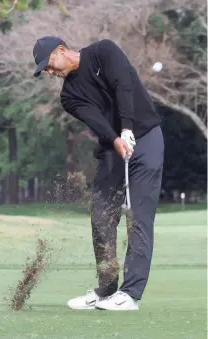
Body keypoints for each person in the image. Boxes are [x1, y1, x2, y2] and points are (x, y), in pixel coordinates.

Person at [33, 36, 164, 311]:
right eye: (45, 70)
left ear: (61, 50)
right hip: (112, 148)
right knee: (101, 216)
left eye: (48, 64)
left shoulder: (104, 51)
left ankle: (130, 294)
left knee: (138, 218)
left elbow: (123, 87)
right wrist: (116, 139)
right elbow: (96, 120)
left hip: (146, 139)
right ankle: (106, 291)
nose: (49, 71)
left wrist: (127, 128)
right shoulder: (68, 96)